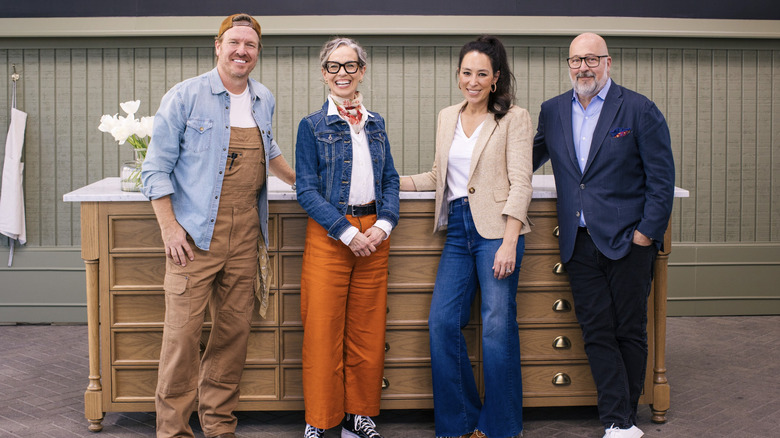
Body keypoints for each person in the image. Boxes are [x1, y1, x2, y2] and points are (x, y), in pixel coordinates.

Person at [140, 13, 295, 438]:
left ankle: (219, 424)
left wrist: (302, 182)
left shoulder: (263, 97)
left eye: (250, 45)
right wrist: (170, 229)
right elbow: (153, 171)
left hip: (247, 235)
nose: (242, 51)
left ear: (257, 52)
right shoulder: (186, 96)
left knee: (232, 337)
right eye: (234, 42)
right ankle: (172, 431)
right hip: (193, 238)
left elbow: (270, 145)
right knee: (181, 341)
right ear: (218, 45)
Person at [532, 32, 675, 438]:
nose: (584, 67)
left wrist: (647, 234)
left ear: (608, 63)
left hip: (629, 242)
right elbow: (525, 158)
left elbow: (662, 180)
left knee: (628, 329)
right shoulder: (554, 110)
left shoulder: (639, 110)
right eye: (576, 60)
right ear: (569, 64)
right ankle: (618, 420)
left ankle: (623, 417)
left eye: (592, 59)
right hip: (578, 243)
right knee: (596, 330)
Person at [400, 35, 532, 438]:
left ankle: (502, 429)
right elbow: (439, 176)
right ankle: (460, 425)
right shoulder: (447, 116)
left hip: (498, 230)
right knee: (441, 322)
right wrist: (389, 182)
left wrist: (510, 241)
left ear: (495, 79)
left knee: (496, 328)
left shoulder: (515, 118)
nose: (472, 81)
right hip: (457, 230)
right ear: (458, 75)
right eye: (466, 72)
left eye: (481, 74)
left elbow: (521, 183)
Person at [295, 37, 400, 438]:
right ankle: (320, 420)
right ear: (324, 74)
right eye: (334, 67)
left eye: (350, 65)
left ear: (362, 71)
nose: (343, 73)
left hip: (374, 234)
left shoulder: (376, 123)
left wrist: (383, 224)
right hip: (330, 235)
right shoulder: (312, 126)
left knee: (367, 331)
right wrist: (344, 232)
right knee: (322, 331)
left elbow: (389, 178)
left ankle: (360, 416)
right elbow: (306, 189)